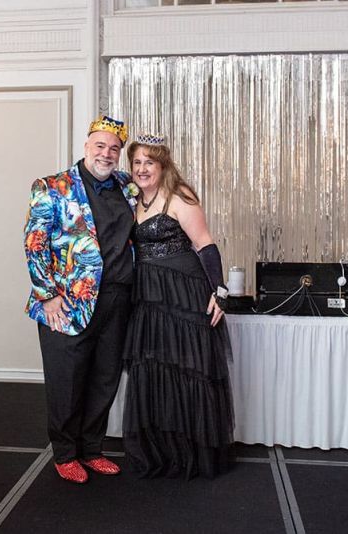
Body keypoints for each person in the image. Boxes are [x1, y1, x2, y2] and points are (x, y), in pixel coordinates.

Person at [24, 115, 136, 484]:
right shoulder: (52, 186)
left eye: (114, 149)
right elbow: (35, 244)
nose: (107, 154)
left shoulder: (126, 186)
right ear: (86, 146)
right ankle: (65, 453)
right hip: (66, 303)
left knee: (104, 379)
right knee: (67, 380)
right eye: (100, 146)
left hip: (118, 300)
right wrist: (48, 295)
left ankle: (92, 448)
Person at [121, 133, 234, 479]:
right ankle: (162, 451)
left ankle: (192, 454)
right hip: (148, 296)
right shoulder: (132, 200)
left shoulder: (179, 197)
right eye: (137, 162)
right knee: (154, 370)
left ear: (163, 165)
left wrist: (219, 291)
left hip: (183, 294)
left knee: (188, 371)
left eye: (149, 163)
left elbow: (205, 245)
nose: (142, 169)